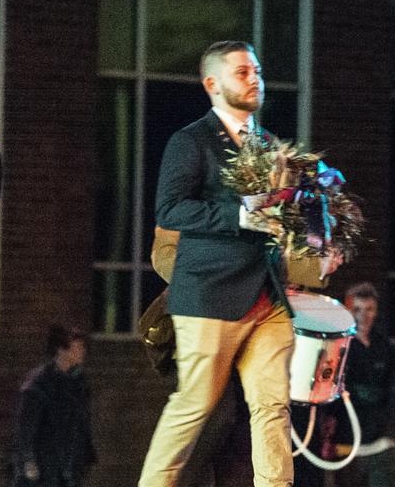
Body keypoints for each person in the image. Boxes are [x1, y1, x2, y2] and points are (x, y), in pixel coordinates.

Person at [139, 40, 334, 487]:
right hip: (209, 295)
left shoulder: (269, 145)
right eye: (243, 72)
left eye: (258, 71)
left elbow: (284, 218)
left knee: (271, 407)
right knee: (195, 407)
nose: (254, 79)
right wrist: (240, 214)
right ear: (212, 83)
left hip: (266, 296)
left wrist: (316, 238)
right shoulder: (191, 141)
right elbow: (170, 210)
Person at [327, 282, 395, 487]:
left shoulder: (383, 346)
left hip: (378, 441)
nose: (363, 315)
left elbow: (393, 389)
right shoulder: (338, 346)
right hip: (346, 443)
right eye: (356, 309)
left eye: (369, 309)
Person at [12, 325, 96, 487]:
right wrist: (28, 461)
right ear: (61, 350)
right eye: (77, 347)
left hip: (69, 464)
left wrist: (84, 454)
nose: (82, 351)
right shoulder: (39, 384)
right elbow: (26, 428)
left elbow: (81, 422)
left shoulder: (78, 382)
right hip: (46, 465)